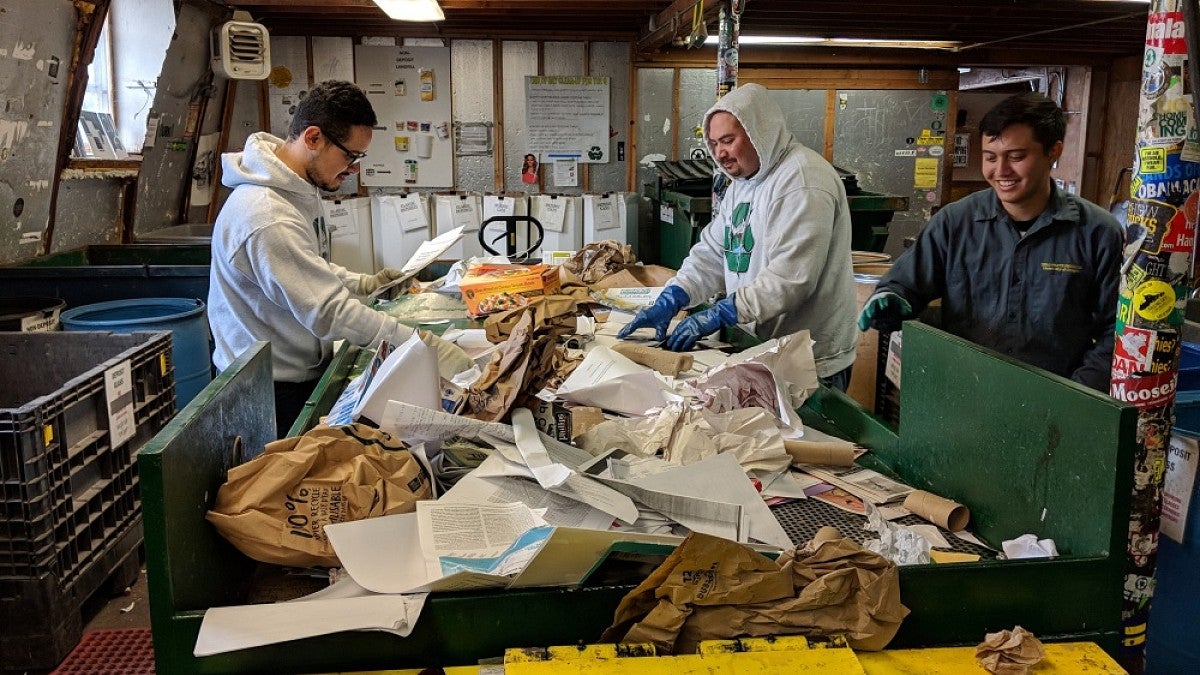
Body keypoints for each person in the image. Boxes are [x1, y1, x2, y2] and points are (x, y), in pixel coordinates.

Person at [208, 80, 470, 437]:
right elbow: (328, 312)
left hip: (294, 371)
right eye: (350, 155)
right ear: (313, 138)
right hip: (267, 392)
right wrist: (414, 344)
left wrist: (363, 284)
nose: (354, 169)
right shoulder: (267, 216)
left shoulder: (296, 189)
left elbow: (306, 265)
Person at [857, 92, 1123, 391]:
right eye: (990, 157)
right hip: (965, 395)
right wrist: (892, 297)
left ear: (1054, 151)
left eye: (1017, 157)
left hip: (1056, 404)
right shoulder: (954, 223)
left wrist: (1078, 393)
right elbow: (906, 285)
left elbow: (1117, 331)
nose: (1001, 171)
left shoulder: (1098, 233)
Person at [617, 83, 858, 391]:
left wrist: (725, 311)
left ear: (761, 132)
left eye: (728, 140)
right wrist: (674, 295)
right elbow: (714, 253)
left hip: (809, 361)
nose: (720, 153)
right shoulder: (743, 183)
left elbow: (792, 278)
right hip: (764, 348)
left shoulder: (802, 179)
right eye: (714, 143)